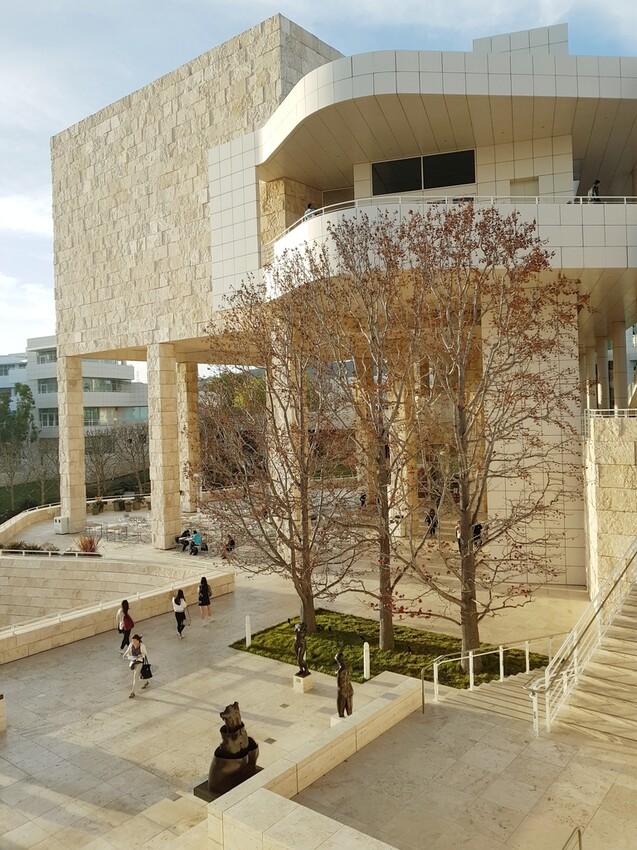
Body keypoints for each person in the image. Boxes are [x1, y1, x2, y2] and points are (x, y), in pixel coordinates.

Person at [122, 634, 149, 698]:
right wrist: (124, 655)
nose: (133, 642)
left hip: (140, 662)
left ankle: (133, 692)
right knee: (139, 674)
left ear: (138, 640)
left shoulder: (142, 645)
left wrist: (141, 655)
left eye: (134, 641)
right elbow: (128, 651)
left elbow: (145, 654)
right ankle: (146, 682)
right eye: (132, 641)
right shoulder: (131, 644)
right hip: (134, 661)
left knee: (135, 676)